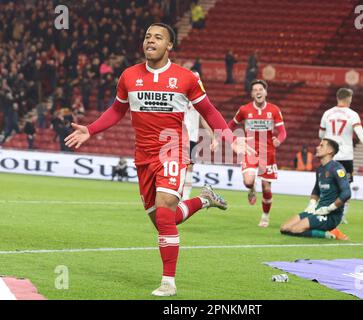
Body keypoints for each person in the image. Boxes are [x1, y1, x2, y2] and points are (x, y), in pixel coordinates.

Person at [65, 23, 254, 297]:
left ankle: (168, 281)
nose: (150, 40)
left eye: (158, 37)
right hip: (143, 157)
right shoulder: (129, 76)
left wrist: (231, 138)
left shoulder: (186, 78)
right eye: (147, 36)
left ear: (169, 46)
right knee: (166, 219)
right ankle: (204, 199)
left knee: (165, 211)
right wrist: (91, 129)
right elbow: (117, 110)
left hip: (172, 150)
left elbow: (209, 112)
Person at [228, 79, 287, 227]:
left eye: (261, 89)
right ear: (251, 94)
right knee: (248, 182)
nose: (258, 92)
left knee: (266, 188)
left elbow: (283, 132)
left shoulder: (274, 110)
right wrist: (234, 139)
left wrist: (278, 140)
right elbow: (229, 125)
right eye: (255, 90)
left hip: (268, 153)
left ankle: (265, 216)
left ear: (266, 92)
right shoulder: (244, 110)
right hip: (250, 151)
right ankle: (252, 189)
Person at [319, 88, 363, 224]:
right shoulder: (352, 114)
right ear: (349, 99)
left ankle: (323, 211)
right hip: (345, 156)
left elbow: (320, 135)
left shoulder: (327, 113)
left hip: (329, 156)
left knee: (327, 184)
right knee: (345, 186)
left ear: (337, 97)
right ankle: (341, 216)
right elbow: (360, 133)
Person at [280, 138, 351, 240]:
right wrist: (312, 204)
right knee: (284, 228)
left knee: (295, 230)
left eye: (322, 146)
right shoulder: (320, 169)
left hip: (331, 215)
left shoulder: (337, 168)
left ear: (330, 151)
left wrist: (329, 208)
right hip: (318, 211)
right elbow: (316, 190)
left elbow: (346, 193)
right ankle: (326, 230)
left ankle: (329, 234)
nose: (317, 147)